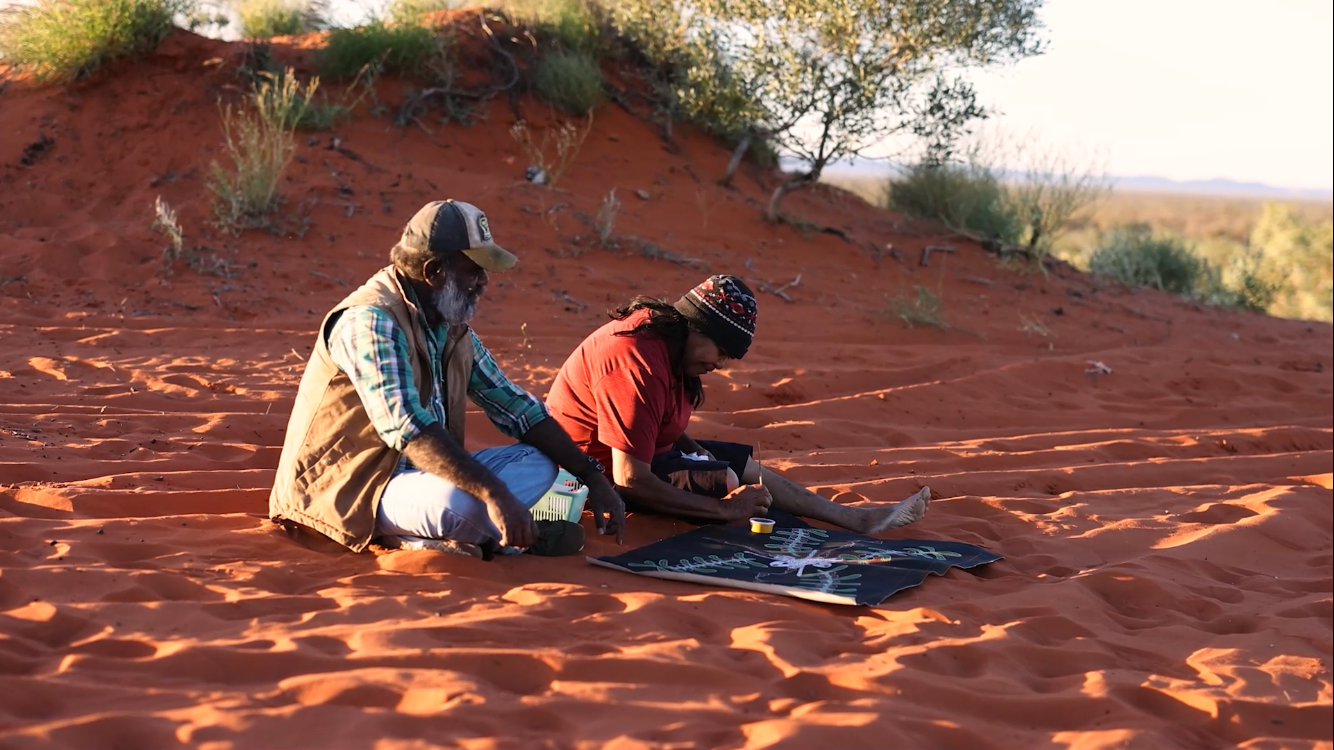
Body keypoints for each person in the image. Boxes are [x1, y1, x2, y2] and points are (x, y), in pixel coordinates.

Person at [269, 199, 625, 559]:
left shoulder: (450, 328)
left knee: (541, 463)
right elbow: (407, 426)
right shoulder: (371, 321)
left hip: (424, 479)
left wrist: (591, 475)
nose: (484, 282)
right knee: (461, 502)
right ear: (435, 271)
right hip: (356, 487)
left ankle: (476, 536)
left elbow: (517, 408)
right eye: (474, 270)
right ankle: (477, 539)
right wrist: (496, 495)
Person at [546, 275, 930, 533]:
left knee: (738, 467)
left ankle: (855, 518)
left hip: (634, 456)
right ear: (695, 326)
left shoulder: (668, 344)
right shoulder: (635, 358)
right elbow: (629, 476)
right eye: (721, 351)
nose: (719, 365)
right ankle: (735, 508)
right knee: (724, 481)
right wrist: (725, 509)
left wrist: (696, 451)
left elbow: (654, 420)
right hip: (589, 473)